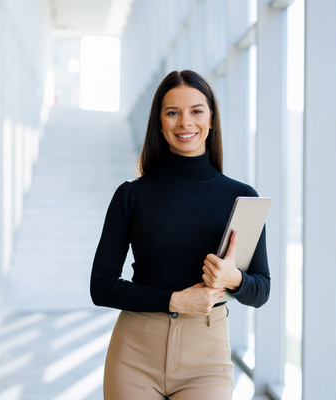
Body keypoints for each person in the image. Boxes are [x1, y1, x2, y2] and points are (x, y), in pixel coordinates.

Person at [90, 70, 270, 399]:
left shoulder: (242, 198)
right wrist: (174, 300)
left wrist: (234, 278)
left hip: (207, 356)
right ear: (160, 123)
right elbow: (100, 287)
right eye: (173, 112)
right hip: (134, 353)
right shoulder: (131, 195)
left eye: (196, 111)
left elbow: (261, 289)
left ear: (211, 119)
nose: (185, 122)